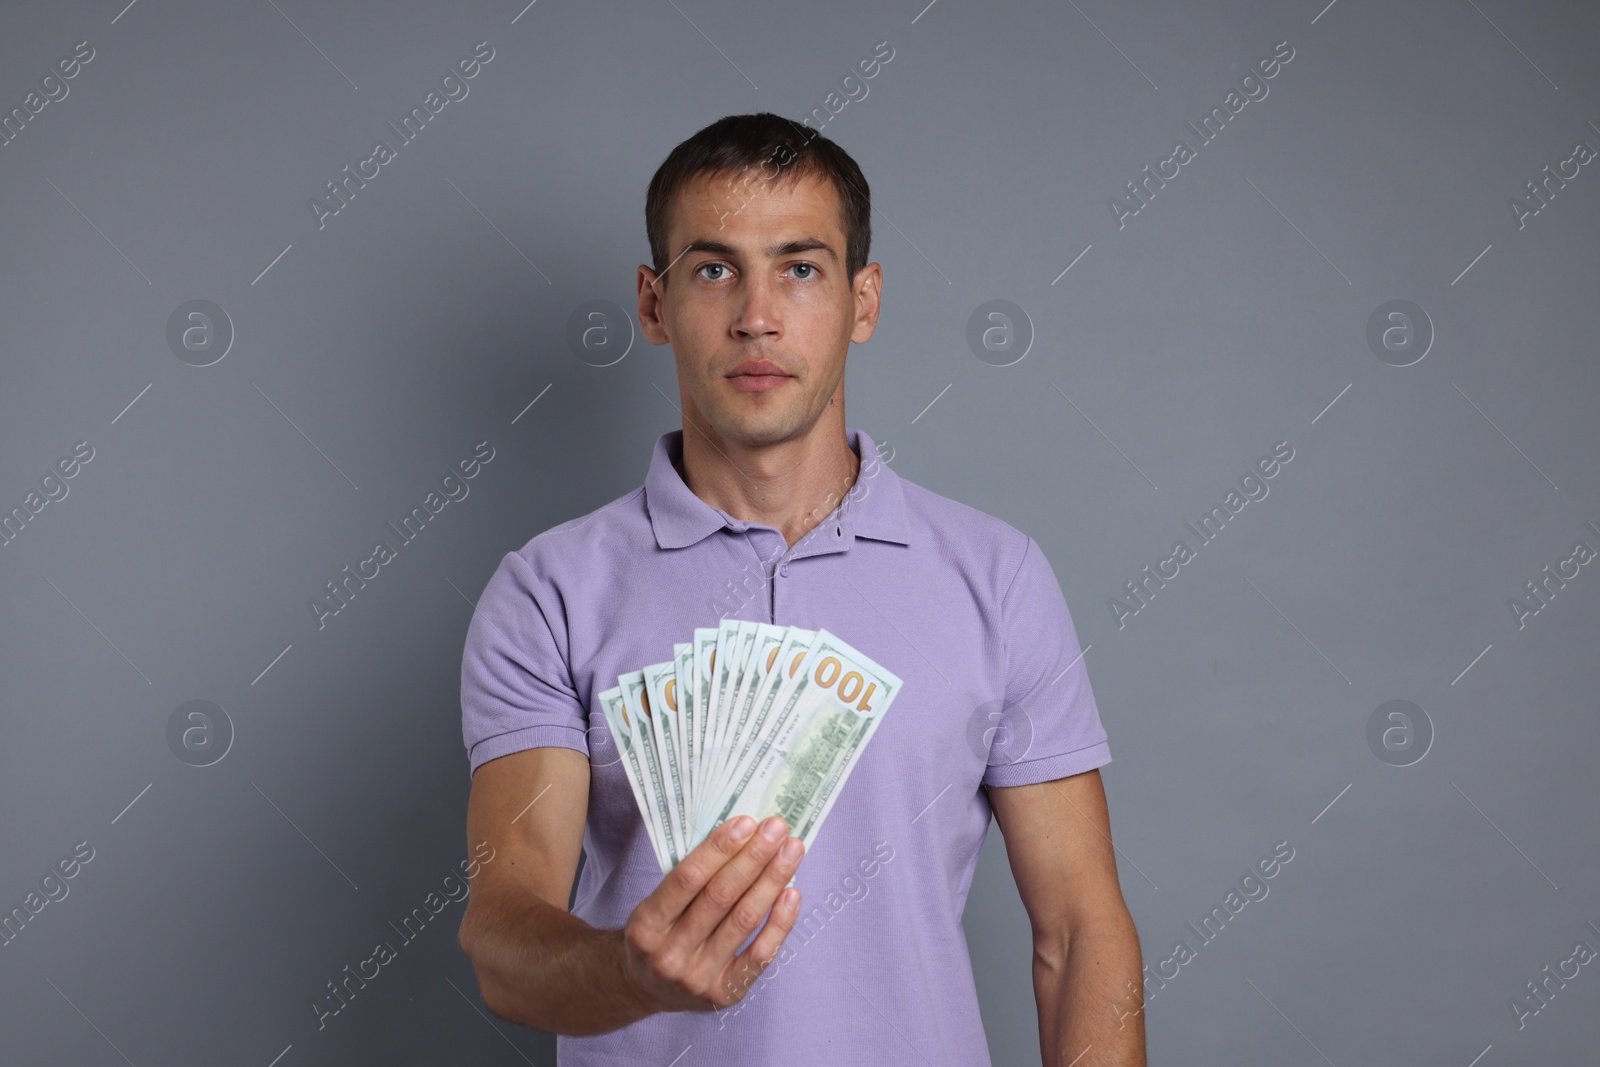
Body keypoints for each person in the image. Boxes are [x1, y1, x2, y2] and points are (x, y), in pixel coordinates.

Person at [457, 112, 1146, 1066]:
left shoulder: (998, 577)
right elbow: (503, 938)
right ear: (654, 305)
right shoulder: (550, 591)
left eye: (800, 268)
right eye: (713, 270)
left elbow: (1080, 935)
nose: (757, 315)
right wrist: (631, 975)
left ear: (863, 302)